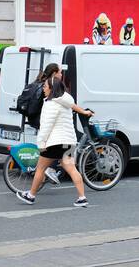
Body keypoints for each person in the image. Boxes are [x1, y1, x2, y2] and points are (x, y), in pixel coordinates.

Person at [16, 77, 93, 208]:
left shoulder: (51, 104)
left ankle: (31, 195)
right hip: (69, 142)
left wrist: (41, 143)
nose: (43, 89)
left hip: (55, 143)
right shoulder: (66, 101)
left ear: (51, 89)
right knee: (72, 169)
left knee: (40, 168)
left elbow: (46, 126)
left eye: (45, 86)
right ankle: (82, 198)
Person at [20, 63, 64, 184]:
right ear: (54, 73)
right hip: (42, 120)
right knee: (57, 143)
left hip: (34, 118)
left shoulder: (39, 81)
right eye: (60, 72)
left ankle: (45, 172)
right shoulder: (50, 85)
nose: (61, 74)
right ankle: (50, 168)